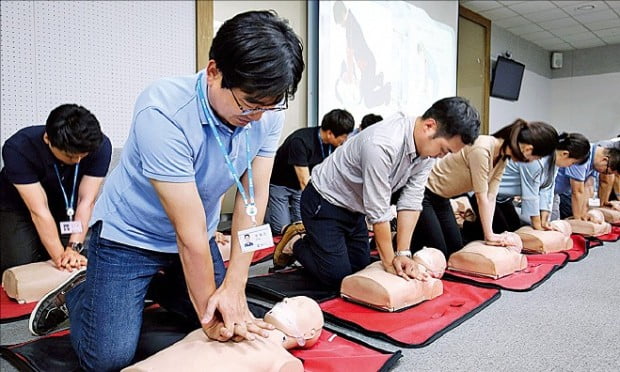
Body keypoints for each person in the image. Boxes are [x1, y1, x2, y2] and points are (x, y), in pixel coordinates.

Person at [29, 10, 304, 371]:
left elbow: (252, 197)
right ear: (213, 71)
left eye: (269, 105)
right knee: (108, 358)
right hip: (128, 238)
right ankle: (83, 293)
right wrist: (212, 318)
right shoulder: (164, 111)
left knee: (229, 314)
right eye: (248, 103)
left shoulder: (266, 111)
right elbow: (186, 232)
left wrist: (237, 284)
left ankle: (151, 287)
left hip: (195, 236)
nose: (258, 115)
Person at [274, 97, 480, 288]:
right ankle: (297, 242)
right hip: (324, 202)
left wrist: (403, 253)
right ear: (429, 126)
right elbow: (378, 210)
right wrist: (391, 265)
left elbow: (411, 200)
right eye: (444, 150)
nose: (442, 157)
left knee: (361, 270)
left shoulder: (427, 153)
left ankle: (322, 246)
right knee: (337, 279)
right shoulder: (383, 144)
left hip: (355, 208)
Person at [411, 119, 559, 257]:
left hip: (442, 199)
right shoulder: (482, 148)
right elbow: (481, 197)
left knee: (455, 250)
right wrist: (489, 236)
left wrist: (491, 234)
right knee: (440, 252)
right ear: (528, 149)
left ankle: (416, 232)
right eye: (537, 157)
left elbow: (491, 196)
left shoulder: (502, 157)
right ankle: (404, 239)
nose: (535, 161)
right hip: (424, 193)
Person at [0, 104, 111, 273]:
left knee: (82, 255)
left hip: (66, 204)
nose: (78, 160)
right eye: (71, 155)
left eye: (83, 155)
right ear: (47, 139)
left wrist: (73, 249)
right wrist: (62, 259)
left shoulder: (100, 146)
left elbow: (86, 201)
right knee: (19, 265)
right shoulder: (18, 148)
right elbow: (38, 210)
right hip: (18, 206)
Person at [123, 296, 323, 372]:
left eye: (300, 304)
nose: (287, 299)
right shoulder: (229, 324)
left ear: (310, 332)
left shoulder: (283, 360)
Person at [266, 109, 354, 234]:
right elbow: (304, 182)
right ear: (330, 133)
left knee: (305, 226)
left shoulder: (333, 145)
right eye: (344, 137)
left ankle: (284, 213)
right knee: (282, 229)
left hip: (301, 189)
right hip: (281, 185)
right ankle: (268, 213)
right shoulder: (301, 141)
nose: (345, 140)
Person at [494, 132, 590, 232]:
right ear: (565, 154)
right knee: (502, 230)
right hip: (488, 194)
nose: (570, 166)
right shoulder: (536, 159)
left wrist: (544, 220)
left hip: (503, 199)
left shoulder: (554, 161)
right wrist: (537, 225)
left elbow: (547, 188)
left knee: (514, 226)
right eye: (573, 163)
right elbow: (530, 195)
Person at [552, 139, 620, 220]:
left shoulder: (595, 162)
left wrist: (585, 214)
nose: (604, 174)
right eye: (606, 172)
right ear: (604, 160)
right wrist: (578, 218)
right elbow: (577, 191)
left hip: (554, 194)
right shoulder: (582, 154)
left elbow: (588, 187)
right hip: (543, 191)